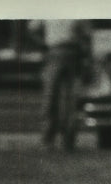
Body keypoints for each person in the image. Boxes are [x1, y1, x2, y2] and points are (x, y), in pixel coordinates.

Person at [34, 19, 93, 149]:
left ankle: (68, 139)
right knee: (50, 97)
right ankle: (48, 139)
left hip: (74, 54)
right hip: (54, 52)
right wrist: (43, 45)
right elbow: (33, 28)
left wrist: (88, 60)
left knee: (71, 99)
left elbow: (87, 36)